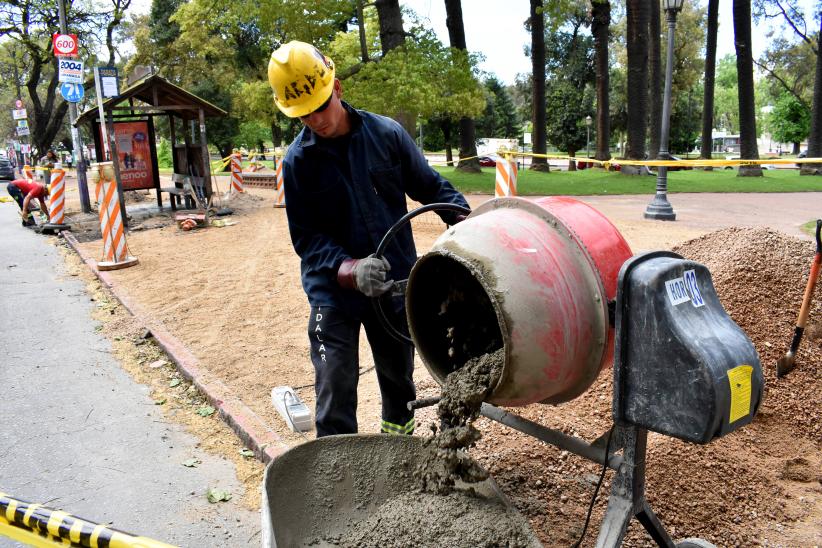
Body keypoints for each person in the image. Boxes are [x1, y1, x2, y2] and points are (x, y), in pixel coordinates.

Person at [268, 41, 470, 437]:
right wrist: (349, 268)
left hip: (393, 287)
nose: (316, 119)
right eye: (303, 115)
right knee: (335, 384)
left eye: (321, 106)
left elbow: (430, 187)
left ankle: (396, 454)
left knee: (398, 380)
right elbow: (307, 240)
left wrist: (466, 221)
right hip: (334, 294)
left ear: (337, 88)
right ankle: (339, 469)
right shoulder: (298, 164)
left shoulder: (386, 135)